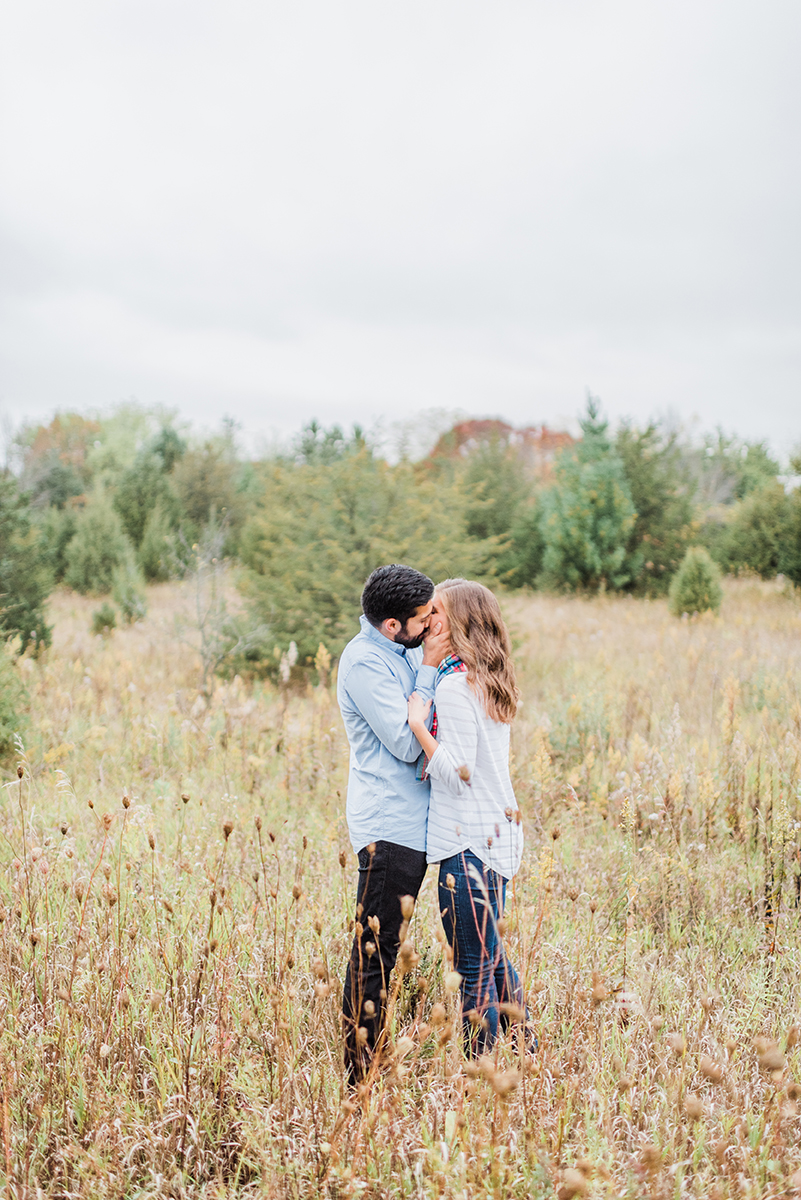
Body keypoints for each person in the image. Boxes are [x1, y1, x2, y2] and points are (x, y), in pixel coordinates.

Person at [407, 577, 530, 1057]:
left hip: (467, 848)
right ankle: (526, 1052)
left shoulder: (456, 688)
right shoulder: (486, 679)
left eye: (436, 611)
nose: (428, 619)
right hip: (494, 839)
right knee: (494, 961)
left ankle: (481, 1077)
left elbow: (459, 773)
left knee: (475, 970)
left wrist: (419, 724)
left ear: (459, 622)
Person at [337, 564, 450, 1082]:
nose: (429, 626)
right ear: (391, 625)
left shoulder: (394, 652)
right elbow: (406, 743)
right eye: (422, 618)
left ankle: (373, 1054)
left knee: (387, 944)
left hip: (413, 823)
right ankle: (360, 1071)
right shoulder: (364, 663)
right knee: (374, 948)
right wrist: (428, 669)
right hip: (389, 825)